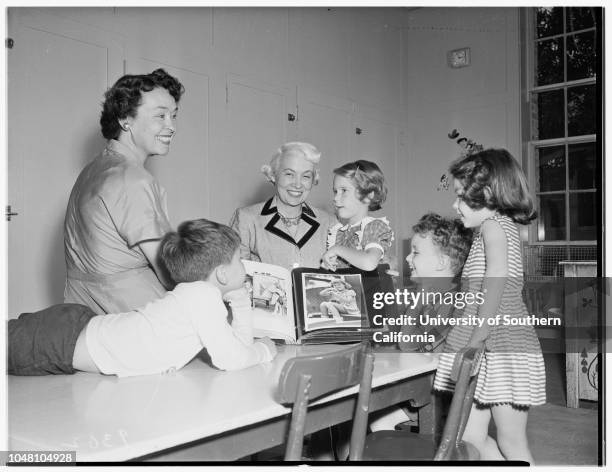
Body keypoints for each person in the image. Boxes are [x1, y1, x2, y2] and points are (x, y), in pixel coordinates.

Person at [9, 219, 277, 377]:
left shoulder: (197, 296)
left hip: (76, 327)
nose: (244, 264)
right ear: (220, 274)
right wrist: (265, 350)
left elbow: (237, 348)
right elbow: (232, 360)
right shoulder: (202, 298)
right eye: (238, 259)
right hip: (63, 341)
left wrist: (241, 304)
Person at [434, 148, 545, 462]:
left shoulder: (495, 227)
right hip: (487, 340)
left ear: (485, 193)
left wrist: (477, 338)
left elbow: (496, 279)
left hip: (502, 343)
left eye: (460, 197)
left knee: (512, 443)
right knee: (470, 438)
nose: (454, 205)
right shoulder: (490, 229)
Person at [64, 69, 184, 315]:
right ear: (124, 119)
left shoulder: (92, 170)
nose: (171, 126)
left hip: (85, 316)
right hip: (133, 316)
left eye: (173, 115)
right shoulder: (133, 178)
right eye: (160, 116)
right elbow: (169, 273)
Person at [368, 212, 472, 431]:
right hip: (424, 385)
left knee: (373, 415)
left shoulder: (452, 303)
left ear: (442, 262)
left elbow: (407, 343)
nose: (408, 258)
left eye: (415, 252)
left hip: (437, 400)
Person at [230, 142, 335, 270]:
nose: (297, 184)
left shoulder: (330, 222)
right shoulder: (246, 219)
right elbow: (235, 275)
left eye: (306, 176)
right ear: (273, 175)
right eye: (289, 174)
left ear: (313, 180)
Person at [322, 160, 394, 272]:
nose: (335, 198)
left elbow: (369, 263)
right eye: (335, 191)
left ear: (368, 195)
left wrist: (337, 249)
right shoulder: (338, 232)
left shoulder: (374, 227)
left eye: (344, 190)